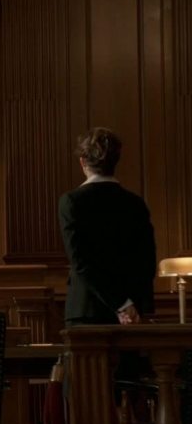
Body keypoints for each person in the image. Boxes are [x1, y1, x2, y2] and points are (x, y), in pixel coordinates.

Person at [59, 127, 156, 326]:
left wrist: (120, 303)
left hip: (87, 310)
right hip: (131, 314)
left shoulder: (72, 202)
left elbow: (81, 262)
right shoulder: (135, 203)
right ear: (115, 161)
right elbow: (147, 261)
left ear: (83, 162)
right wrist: (132, 304)